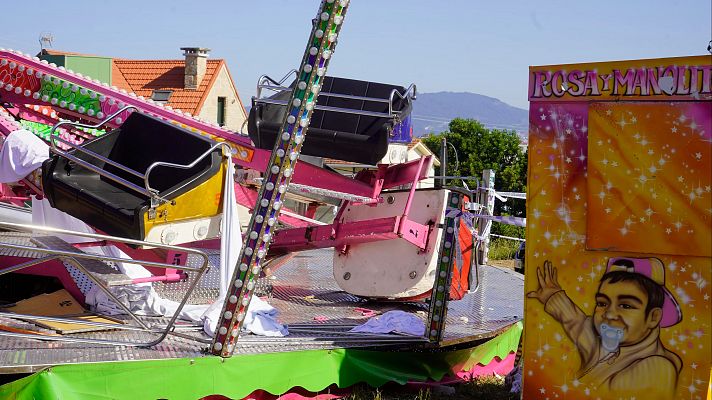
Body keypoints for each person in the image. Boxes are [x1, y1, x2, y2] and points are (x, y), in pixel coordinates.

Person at [527, 257, 683, 399]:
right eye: (602, 303)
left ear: (653, 317)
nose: (609, 314)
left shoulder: (656, 369)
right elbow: (578, 323)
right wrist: (552, 296)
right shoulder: (610, 350)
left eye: (626, 305)